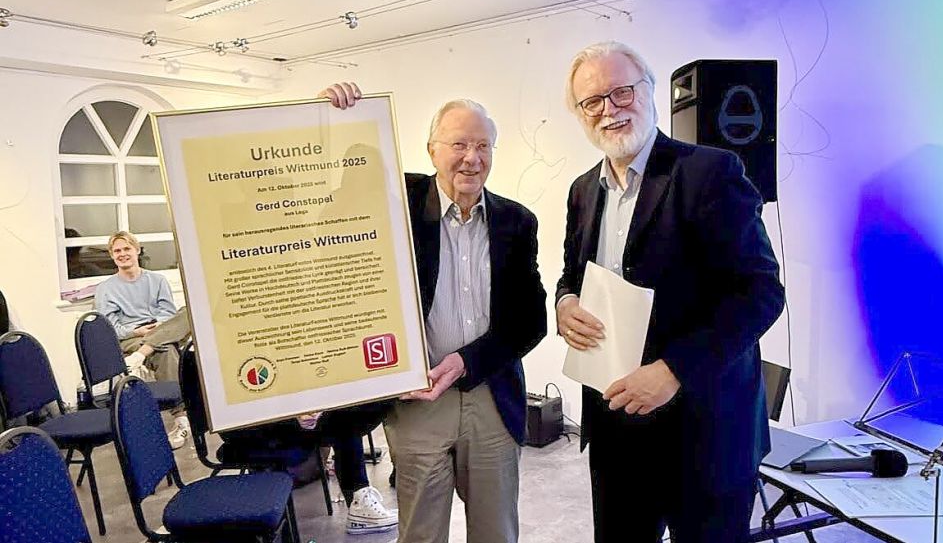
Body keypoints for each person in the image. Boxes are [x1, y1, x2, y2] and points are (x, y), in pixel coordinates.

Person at [556, 41, 785, 543]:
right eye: (591, 101)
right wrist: (565, 302)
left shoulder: (710, 172)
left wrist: (673, 370)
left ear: (650, 91)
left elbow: (762, 293)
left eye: (621, 92)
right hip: (616, 427)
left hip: (705, 432)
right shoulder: (582, 190)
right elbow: (572, 273)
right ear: (578, 114)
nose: (608, 110)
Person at [318, 83, 548, 543]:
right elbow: (343, 181)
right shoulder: (397, 203)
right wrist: (334, 119)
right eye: (459, 144)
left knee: (497, 532)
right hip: (416, 401)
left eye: (483, 146)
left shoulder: (515, 222)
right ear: (431, 150)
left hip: (490, 397)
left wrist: (468, 361)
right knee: (421, 533)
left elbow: (530, 320)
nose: (472, 158)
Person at [222, 412, 399, 535]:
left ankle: (359, 499)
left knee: (347, 417)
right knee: (345, 423)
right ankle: (358, 499)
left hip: (283, 419)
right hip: (251, 431)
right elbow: (229, 428)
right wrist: (291, 417)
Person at [95, 230, 193, 449]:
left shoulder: (157, 280)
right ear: (112, 255)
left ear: (137, 251)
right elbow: (111, 329)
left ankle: (143, 354)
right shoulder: (106, 289)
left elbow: (168, 314)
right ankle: (182, 420)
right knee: (166, 349)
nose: (122, 254)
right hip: (132, 338)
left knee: (188, 311)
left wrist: (158, 327)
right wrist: (137, 332)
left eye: (127, 249)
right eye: (117, 251)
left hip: (158, 332)